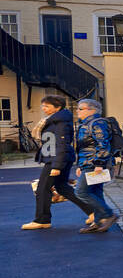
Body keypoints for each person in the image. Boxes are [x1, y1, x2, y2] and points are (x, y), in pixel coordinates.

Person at [21, 95, 97, 231]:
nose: (43, 108)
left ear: (58, 107)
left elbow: (61, 144)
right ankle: (93, 212)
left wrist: (56, 166)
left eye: (47, 106)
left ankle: (42, 220)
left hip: (56, 159)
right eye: (43, 105)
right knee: (62, 187)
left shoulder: (60, 122)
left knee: (42, 189)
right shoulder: (53, 120)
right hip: (58, 158)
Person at [72, 99, 119, 232]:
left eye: (80, 109)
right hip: (89, 163)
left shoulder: (97, 123)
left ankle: (109, 214)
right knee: (95, 192)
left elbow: (103, 144)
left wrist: (99, 164)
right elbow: (84, 147)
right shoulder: (86, 124)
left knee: (81, 192)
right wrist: (80, 166)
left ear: (92, 110)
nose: (77, 111)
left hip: (96, 164)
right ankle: (98, 223)